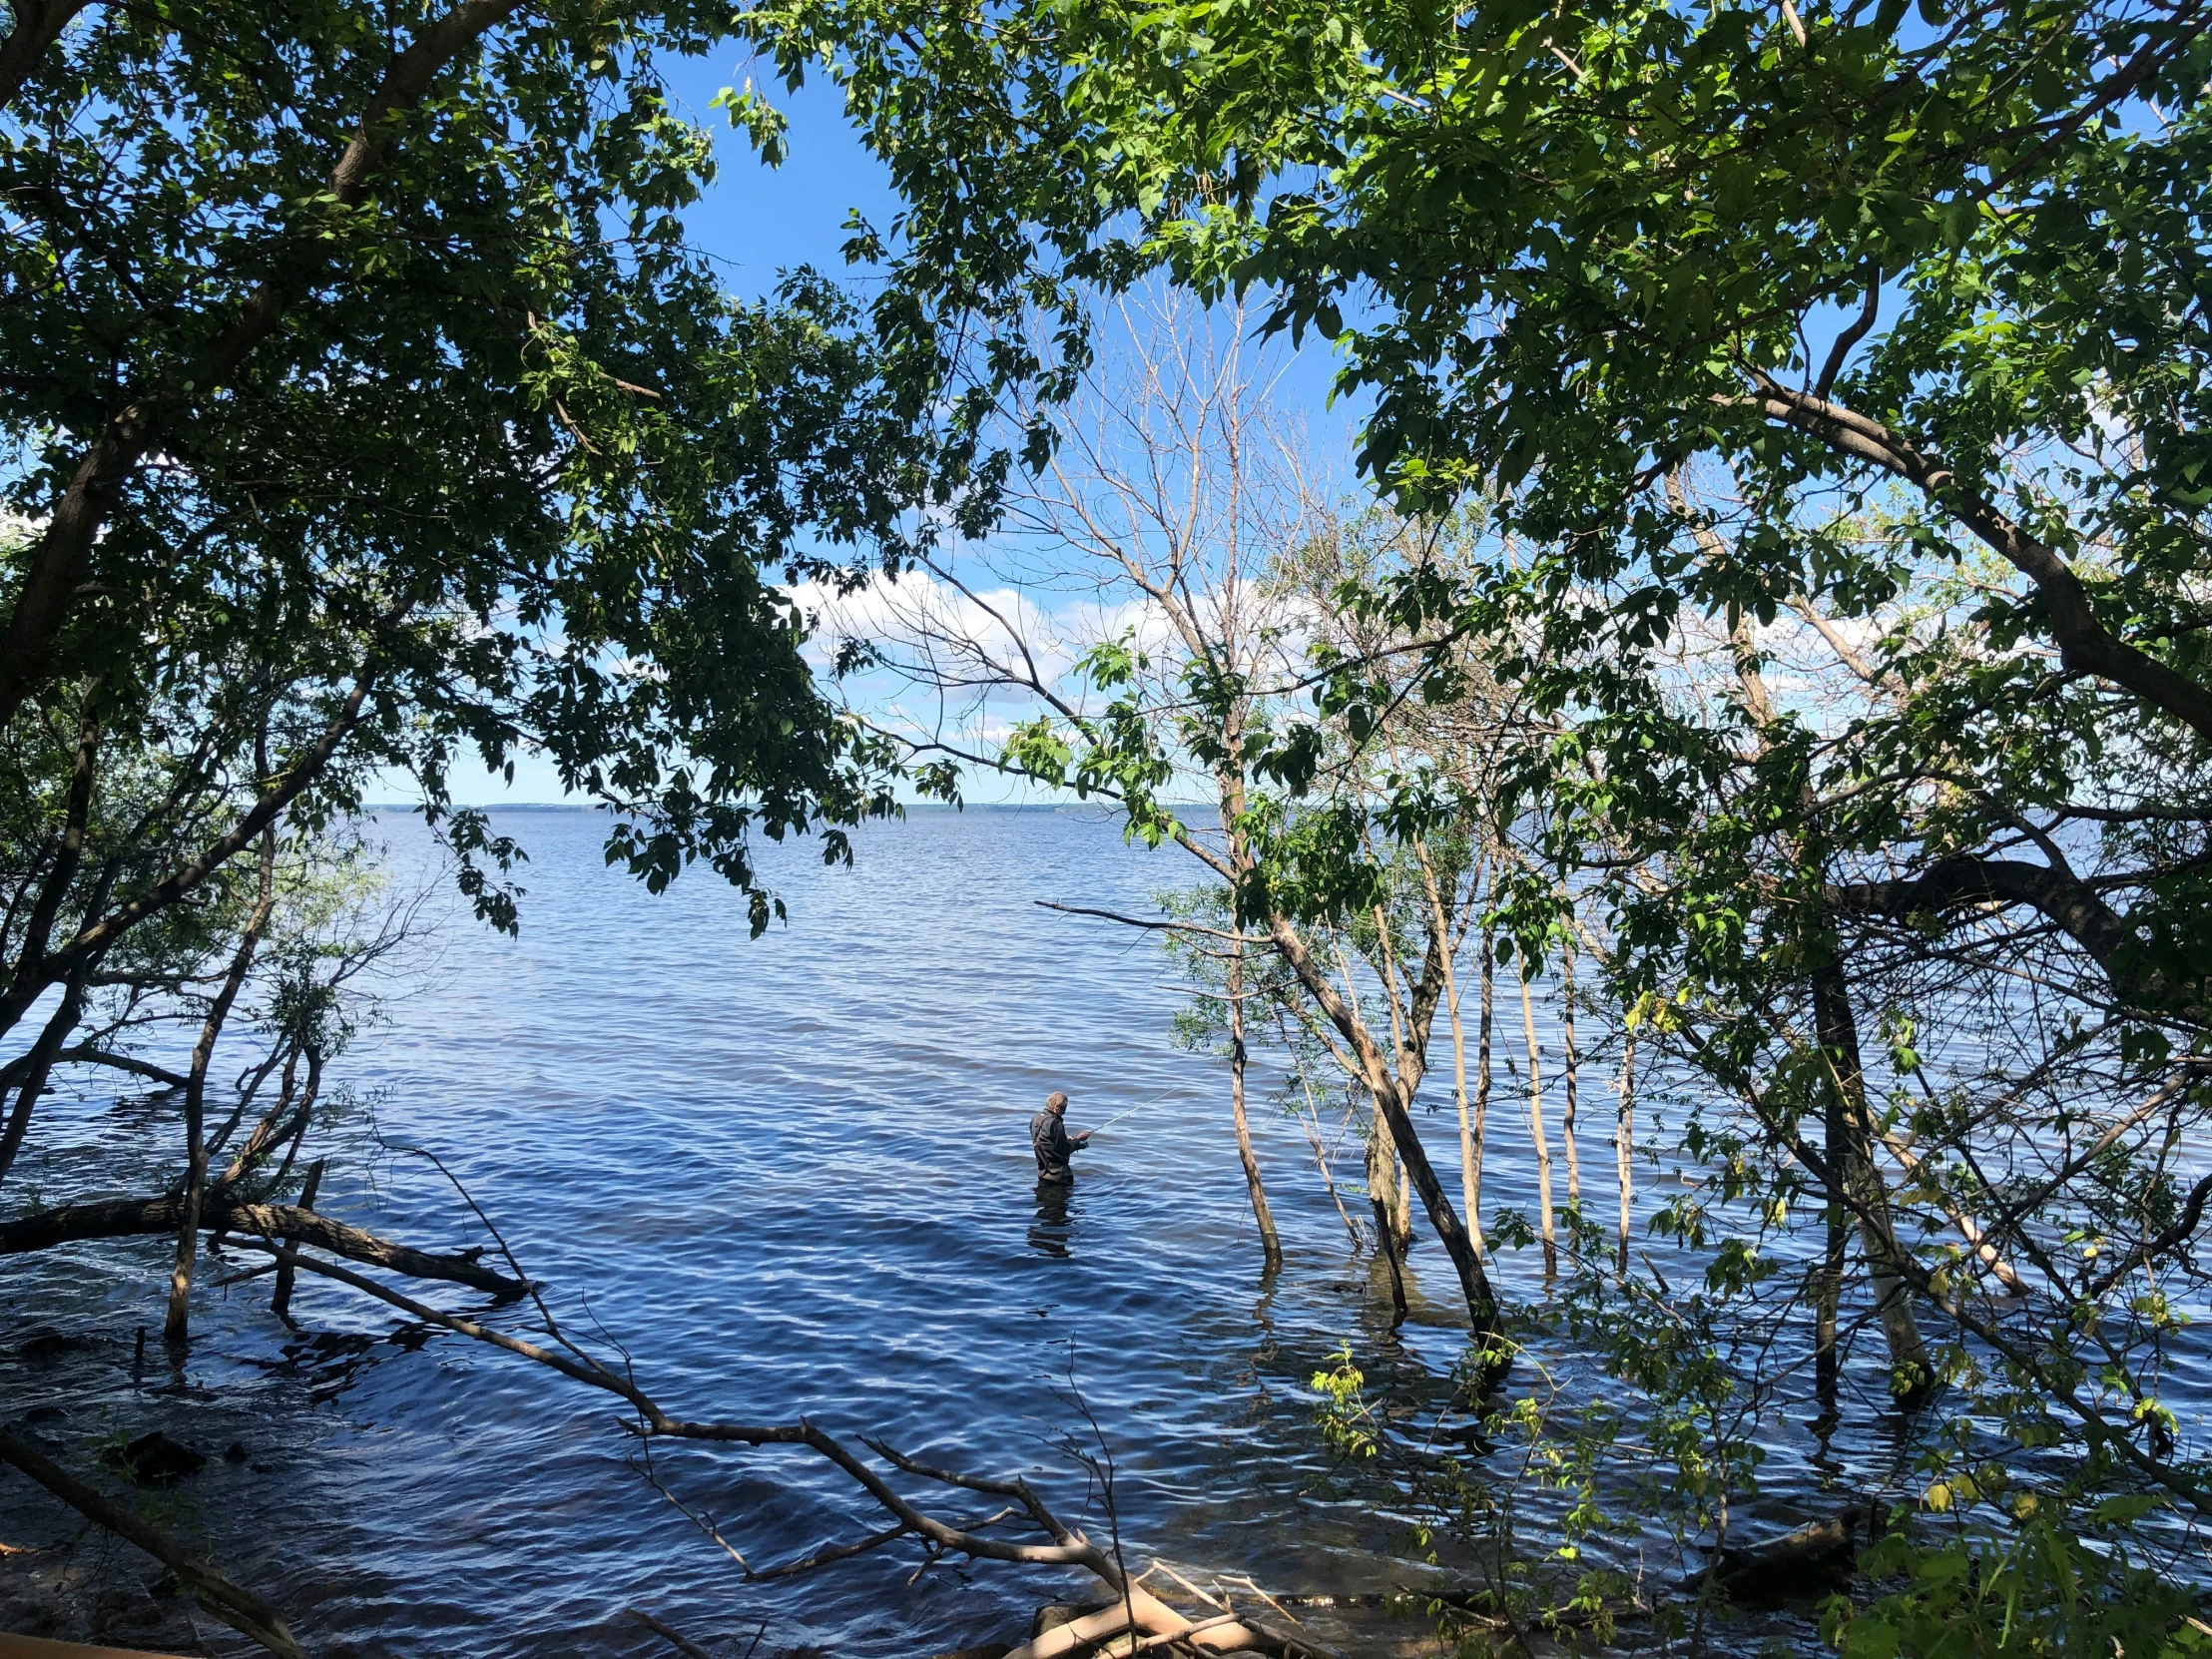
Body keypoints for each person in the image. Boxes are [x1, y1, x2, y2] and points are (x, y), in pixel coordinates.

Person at [1030, 1090, 1090, 1184]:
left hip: (1042, 1174)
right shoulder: (1056, 1123)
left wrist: (1064, 1139)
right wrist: (1079, 1139)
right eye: (1063, 1108)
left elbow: (1044, 1140)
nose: (1064, 1112)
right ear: (1056, 1107)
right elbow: (1065, 1150)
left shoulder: (1036, 1118)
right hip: (1058, 1177)